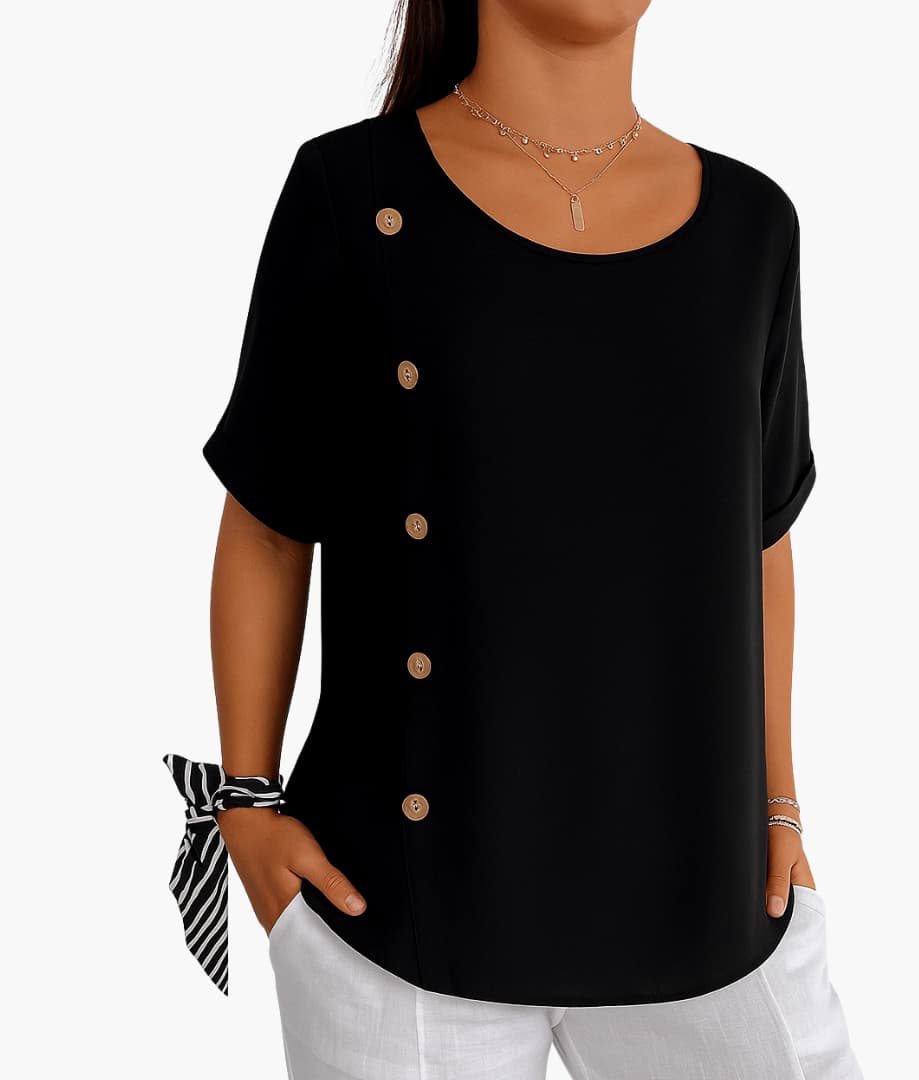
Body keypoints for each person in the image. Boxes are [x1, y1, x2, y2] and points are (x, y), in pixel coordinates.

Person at [164, 1, 865, 1077]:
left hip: (710, 892)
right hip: (399, 911)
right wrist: (247, 806)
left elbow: (758, 538)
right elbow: (268, 516)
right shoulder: (354, 193)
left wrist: (781, 806)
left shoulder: (752, 225)